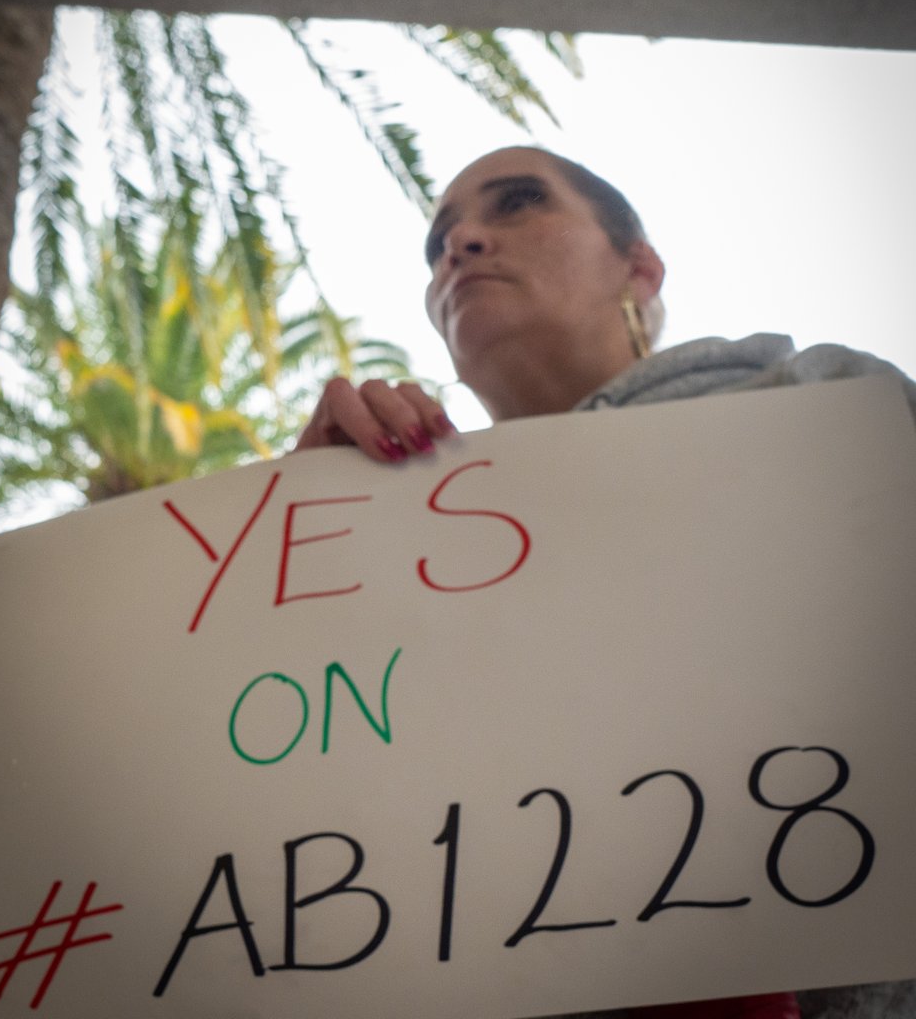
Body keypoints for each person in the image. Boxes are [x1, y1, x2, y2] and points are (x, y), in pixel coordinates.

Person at [295, 145, 916, 1019]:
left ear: (640, 269)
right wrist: (313, 561)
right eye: (438, 242)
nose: (460, 244)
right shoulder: (390, 525)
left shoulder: (822, 398)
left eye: (517, 204)